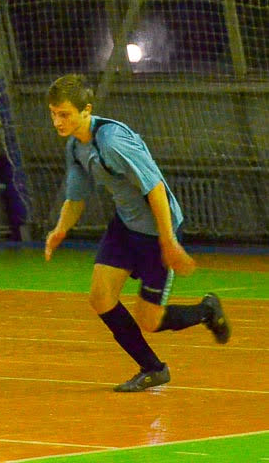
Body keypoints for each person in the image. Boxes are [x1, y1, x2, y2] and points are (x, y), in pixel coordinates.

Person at [44, 74, 230, 392]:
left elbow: (155, 188)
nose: (58, 121)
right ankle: (153, 369)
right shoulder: (76, 146)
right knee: (101, 298)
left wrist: (168, 240)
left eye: (64, 114)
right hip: (125, 227)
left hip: (156, 230)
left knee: (150, 320)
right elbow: (76, 197)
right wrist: (60, 229)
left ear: (85, 110)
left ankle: (206, 310)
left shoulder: (113, 141)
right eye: (53, 113)